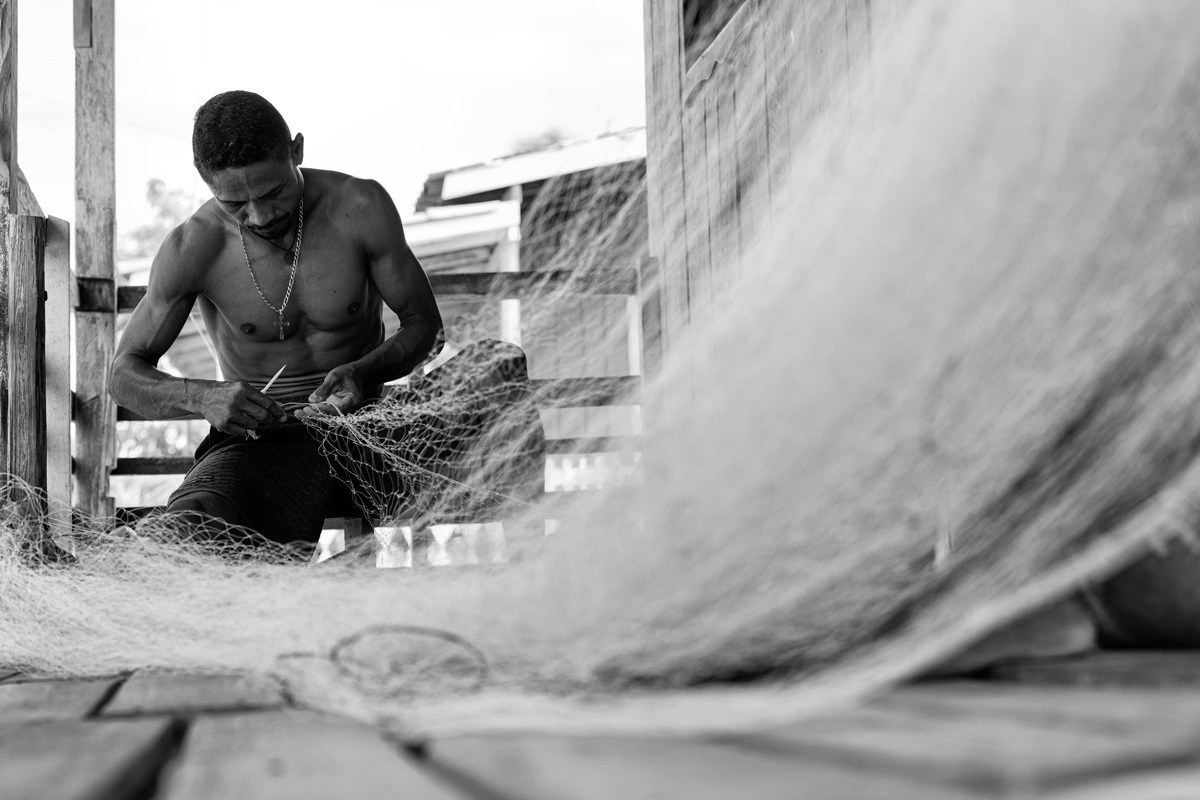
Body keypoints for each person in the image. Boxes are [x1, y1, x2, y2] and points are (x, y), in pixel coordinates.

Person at [110, 90, 443, 543]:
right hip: (263, 443)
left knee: (498, 368)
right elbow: (123, 375)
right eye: (235, 204)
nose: (260, 215)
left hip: (368, 425)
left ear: (296, 151)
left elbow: (425, 324)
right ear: (205, 181)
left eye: (273, 192)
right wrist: (203, 396)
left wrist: (363, 372)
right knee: (190, 526)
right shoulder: (194, 246)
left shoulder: (360, 207)